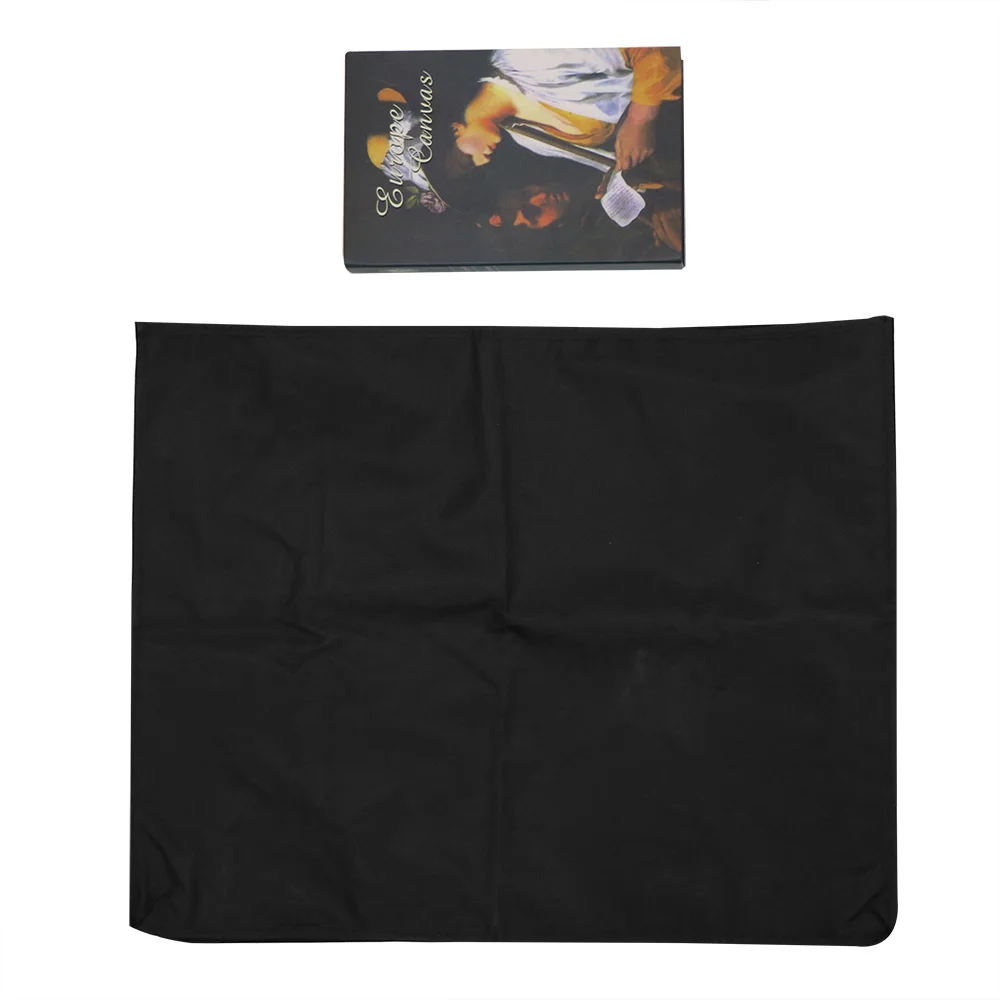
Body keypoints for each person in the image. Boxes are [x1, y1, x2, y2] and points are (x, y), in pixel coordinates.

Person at [451, 48, 682, 172]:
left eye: (467, 159)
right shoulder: (526, 139)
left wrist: (640, 119)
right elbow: (610, 163)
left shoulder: (524, 58)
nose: (484, 162)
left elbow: (651, 48)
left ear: (455, 129)